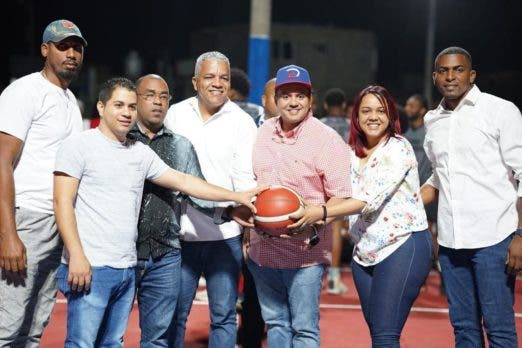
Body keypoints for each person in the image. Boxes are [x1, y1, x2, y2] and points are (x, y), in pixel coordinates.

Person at [53, 77, 262, 347]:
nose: (126, 112)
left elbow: (186, 182)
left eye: (130, 106)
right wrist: (77, 255)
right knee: (82, 343)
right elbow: (61, 203)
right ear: (101, 107)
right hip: (93, 264)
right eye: (119, 105)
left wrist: (235, 198)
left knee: (112, 342)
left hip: (126, 266)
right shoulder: (78, 145)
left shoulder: (138, 152)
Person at [294, 85, 433, 347]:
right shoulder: (348, 153)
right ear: (355, 117)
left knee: (384, 336)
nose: (373, 116)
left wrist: (320, 213)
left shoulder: (398, 148)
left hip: (402, 245)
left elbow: (367, 201)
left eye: (381, 110)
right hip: (363, 252)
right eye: (366, 110)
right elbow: (338, 195)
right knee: (380, 333)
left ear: (391, 115)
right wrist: (311, 218)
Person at [240, 64, 351, 347]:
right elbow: (251, 185)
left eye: (300, 95)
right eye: (286, 95)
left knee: (304, 329)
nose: (293, 101)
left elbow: (341, 196)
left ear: (311, 99)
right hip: (262, 252)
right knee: (276, 323)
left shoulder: (327, 140)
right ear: (275, 100)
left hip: (305, 256)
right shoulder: (262, 132)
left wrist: (316, 214)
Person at [421, 46, 522, 347]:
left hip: (495, 238)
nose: (450, 76)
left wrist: (520, 233)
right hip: (452, 243)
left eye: (458, 69)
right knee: (463, 328)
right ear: (435, 76)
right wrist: (402, 203)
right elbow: (439, 176)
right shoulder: (432, 120)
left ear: (472, 74)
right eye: (443, 71)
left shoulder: (501, 111)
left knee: (499, 328)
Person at [0, 19, 86, 346]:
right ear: (44, 50)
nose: (71, 54)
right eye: (63, 46)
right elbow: (2, 163)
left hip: (57, 223)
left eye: (77, 47)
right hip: (26, 220)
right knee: (7, 325)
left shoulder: (70, 102)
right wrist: (9, 235)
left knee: (35, 324)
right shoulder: (23, 92)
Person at [164, 51, 258, 348]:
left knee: (224, 316)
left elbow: (244, 180)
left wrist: (247, 230)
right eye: (209, 77)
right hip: (179, 234)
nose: (217, 83)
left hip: (225, 235)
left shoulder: (243, 122)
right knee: (174, 316)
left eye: (223, 78)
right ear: (195, 81)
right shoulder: (174, 114)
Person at [129, 74, 211, 346]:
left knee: (158, 339)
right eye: (150, 95)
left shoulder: (181, 146)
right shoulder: (120, 141)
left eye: (164, 97)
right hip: (121, 253)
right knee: (107, 335)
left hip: (165, 254)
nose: (158, 102)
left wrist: (238, 209)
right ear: (135, 99)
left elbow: (200, 194)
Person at [320, 87, 351, 295]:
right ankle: (333, 278)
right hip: (342, 181)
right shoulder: (351, 127)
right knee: (338, 231)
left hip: (319, 183)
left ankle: (315, 272)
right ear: (343, 106)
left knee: (319, 227)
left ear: (325, 106)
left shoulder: (318, 125)